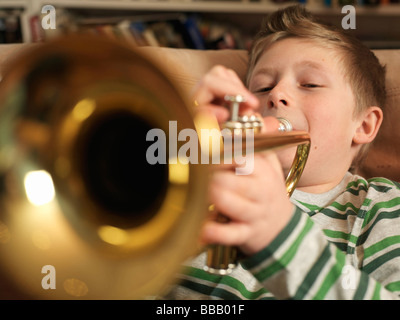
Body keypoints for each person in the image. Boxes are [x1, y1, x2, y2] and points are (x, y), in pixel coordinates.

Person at [164, 5, 400, 299]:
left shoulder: (385, 207)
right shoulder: (194, 180)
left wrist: (278, 236)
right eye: (262, 88)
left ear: (364, 125)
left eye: (310, 84)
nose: (276, 95)